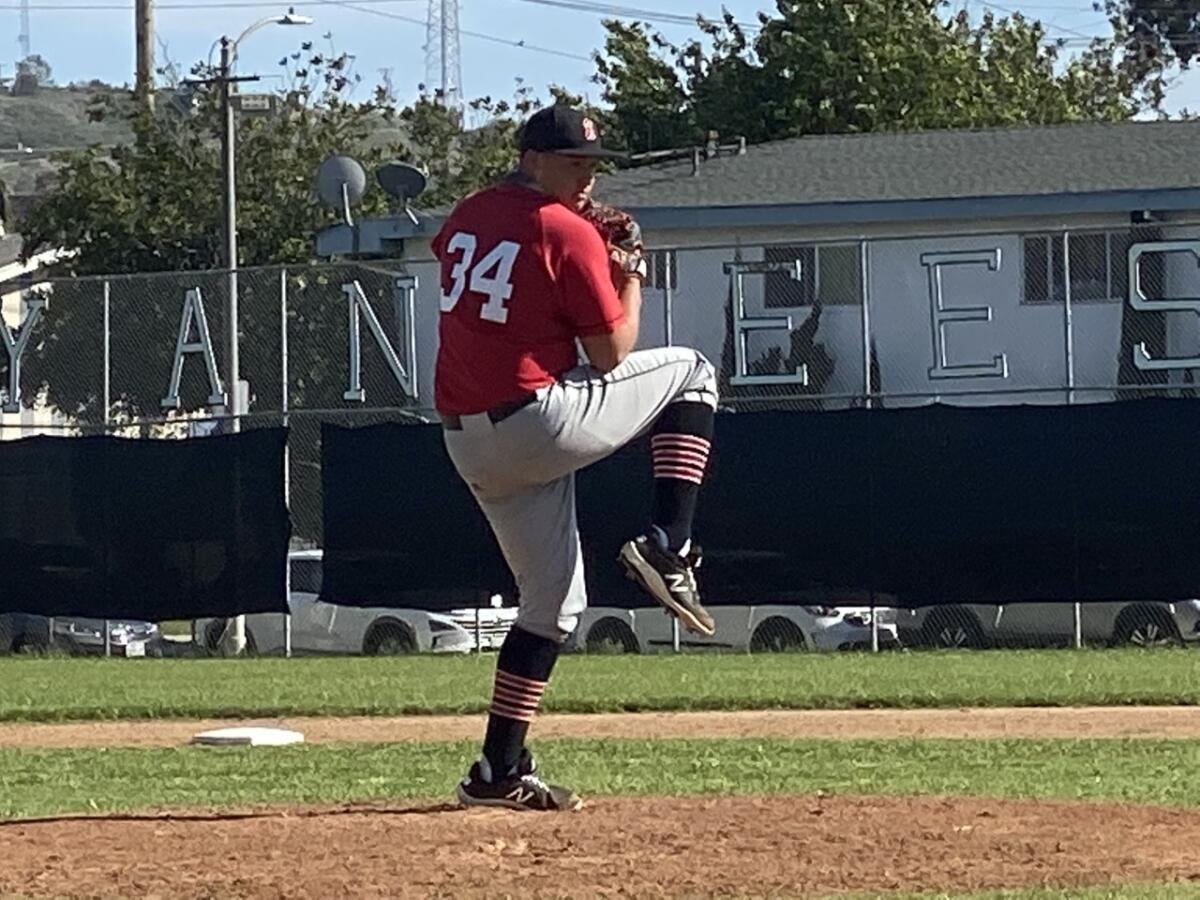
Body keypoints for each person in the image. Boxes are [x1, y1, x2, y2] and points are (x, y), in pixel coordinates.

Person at [432, 104, 719, 812]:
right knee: (693, 373)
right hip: (537, 421)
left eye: (592, 164)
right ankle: (669, 543)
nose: (586, 177)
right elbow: (611, 352)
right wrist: (629, 271)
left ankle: (496, 772)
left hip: (468, 439)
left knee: (552, 606)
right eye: (572, 162)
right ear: (531, 159)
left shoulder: (468, 212)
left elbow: (485, 271)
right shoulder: (564, 229)